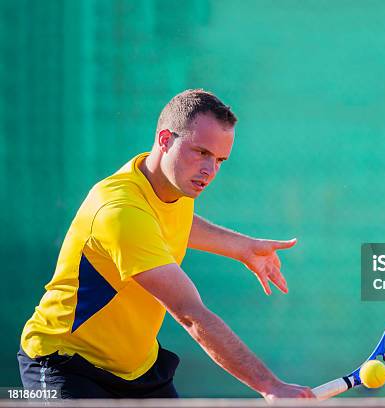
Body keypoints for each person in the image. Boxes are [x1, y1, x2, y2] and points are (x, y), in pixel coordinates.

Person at [18, 89, 315, 401]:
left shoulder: (167, 185)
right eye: (201, 152)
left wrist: (241, 247)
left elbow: (172, 223)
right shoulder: (120, 211)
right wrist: (270, 386)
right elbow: (190, 314)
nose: (210, 171)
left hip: (139, 369)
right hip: (65, 365)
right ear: (165, 140)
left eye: (219, 160)